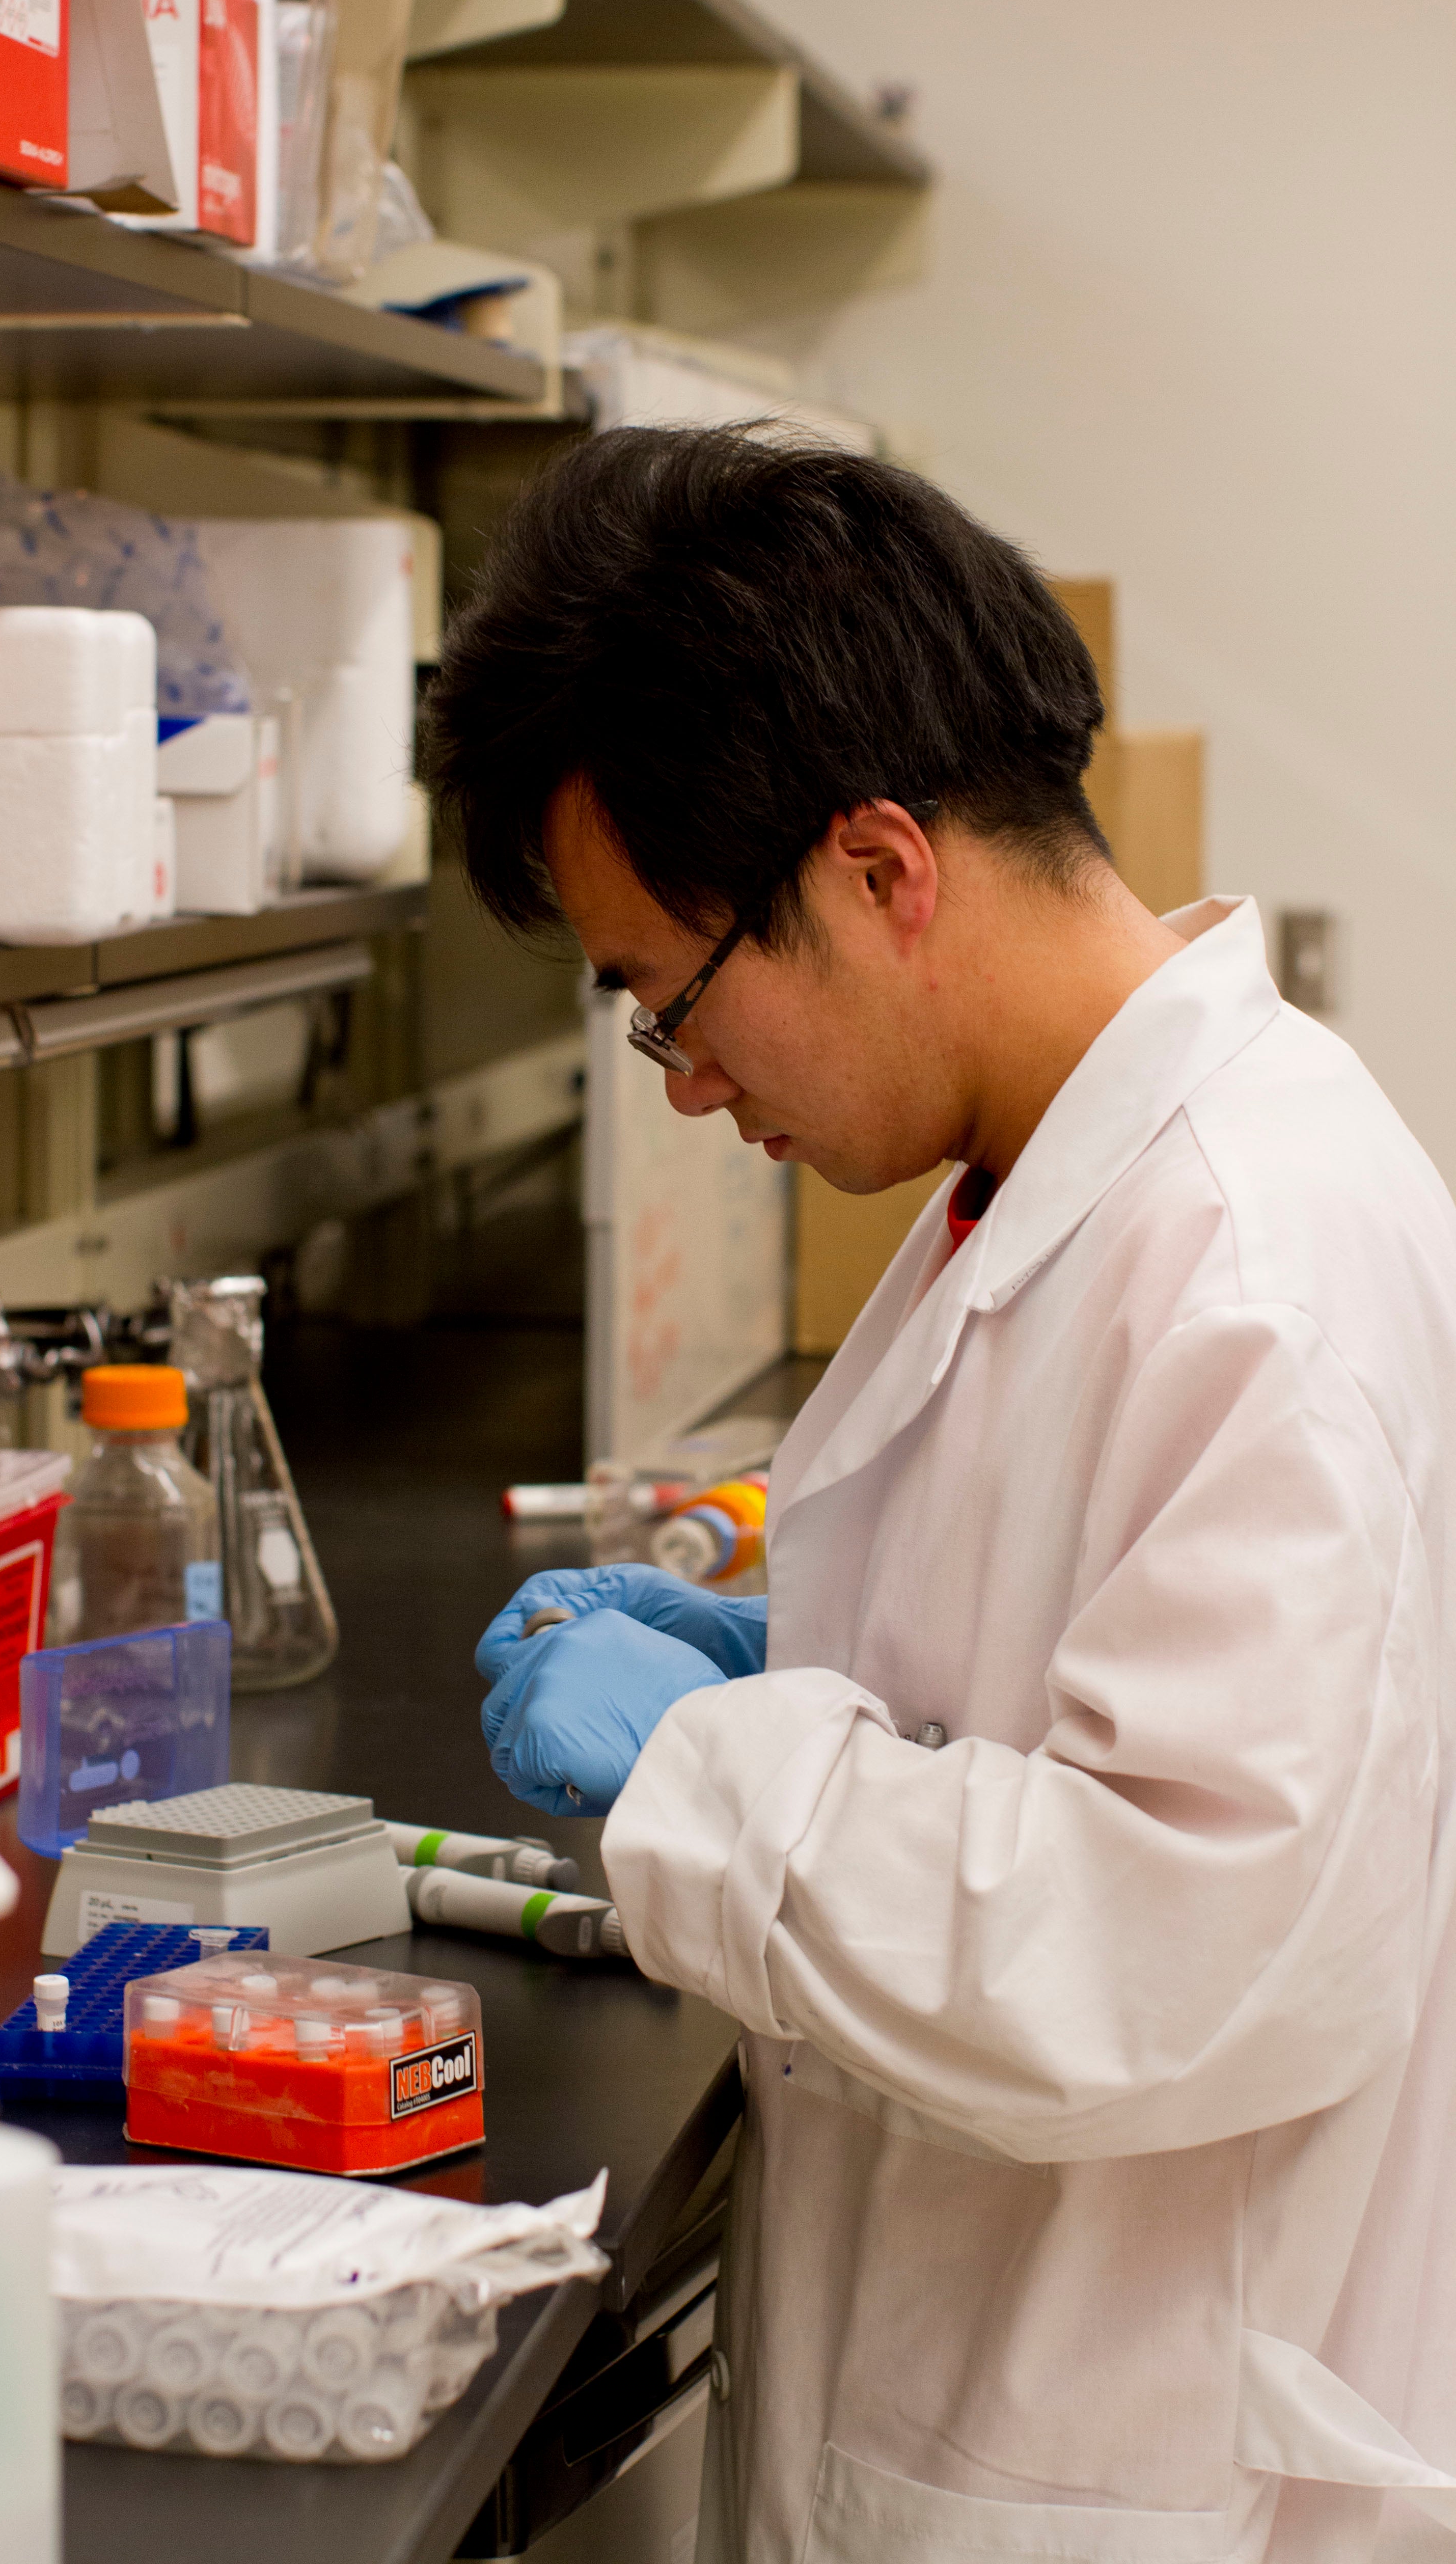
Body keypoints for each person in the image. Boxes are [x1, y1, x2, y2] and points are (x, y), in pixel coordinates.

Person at [422, 427, 1456, 2564]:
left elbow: (1169, 1957)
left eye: (671, 1000)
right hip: (974, 2374)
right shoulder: (1030, 1167)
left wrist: (708, 1764)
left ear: (885, 869)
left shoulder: (1255, 1263)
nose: (689, 1085)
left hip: (1130, 2457)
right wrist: (821, 1646)